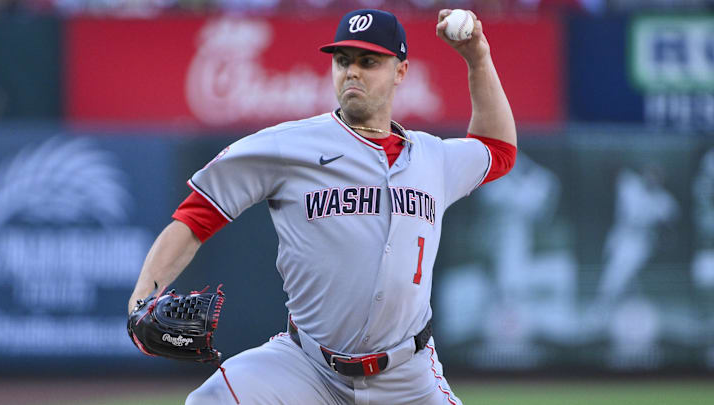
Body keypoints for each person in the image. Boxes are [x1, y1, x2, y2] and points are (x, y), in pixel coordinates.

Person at [128, 8, 517, 405]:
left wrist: (478, 58)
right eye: (343, 60)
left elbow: (499, 150)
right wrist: (142, 299)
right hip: (305, 366)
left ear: (401, 72)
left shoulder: (433, 158)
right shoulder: (289, 146)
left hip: (409, 377)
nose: (352, 72)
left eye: (369, 61)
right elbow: (196, 216)